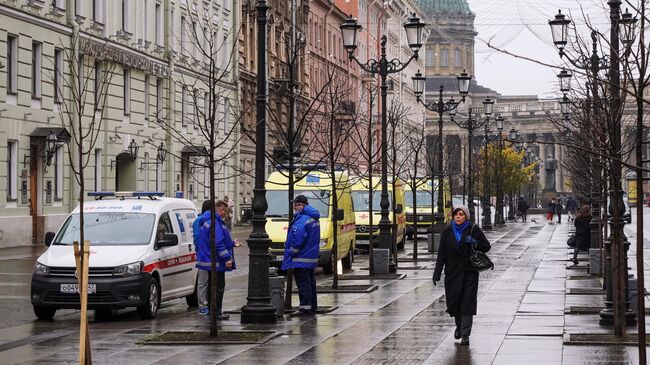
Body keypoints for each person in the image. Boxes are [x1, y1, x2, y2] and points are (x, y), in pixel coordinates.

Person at [432, 205, 491, 346]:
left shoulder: (473, 229)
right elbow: (442, 254)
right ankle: (459, 325)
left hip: (469, 273)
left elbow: (486, 246)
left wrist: (475, 242)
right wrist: (437, 273)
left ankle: (465, 334)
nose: (458, 217)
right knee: (455, 303)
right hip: (452, 274)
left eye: (461, 214)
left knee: (467, 303)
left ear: (466, 216)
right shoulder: (447, 231)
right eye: (456, 214)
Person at [196, 200, 236, 319]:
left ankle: (212, 310)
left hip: (209, 259)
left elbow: (218, 240)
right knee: (218, 287)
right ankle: (217, 312)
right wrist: (227, 258)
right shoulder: (215, 223)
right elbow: (218, 243)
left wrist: (232, 243)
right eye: (224, 211)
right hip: (216, 261)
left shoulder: (209, 221)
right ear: (219, 209)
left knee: (211, 286)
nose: (225, 214)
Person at [281, 195, 320, 314]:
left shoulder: (302, 219)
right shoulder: (313, 217)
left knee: (303, 284)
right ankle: (312, 306)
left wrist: (291, 252)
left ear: (301, 205)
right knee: (310, 283)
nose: (294, 207)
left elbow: (298, 239)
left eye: (295, 205)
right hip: (310, 257)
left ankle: (305, 308)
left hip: (301, 258)